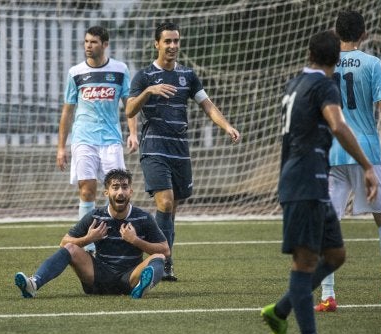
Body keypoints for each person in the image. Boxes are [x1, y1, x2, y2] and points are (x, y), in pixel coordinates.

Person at [261, 30, 378, 334]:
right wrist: (367, 166)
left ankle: (280, 310)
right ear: (336, 59)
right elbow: (338, 125)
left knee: (336, 254)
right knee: (305, 263)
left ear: (309, 53)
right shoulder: (325, 86)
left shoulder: (295, 83)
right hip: (304, 184)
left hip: (310, 182)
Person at [315, 10, 381, 312]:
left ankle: (327, 295)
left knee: (328, 222)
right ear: (365, 34)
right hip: (367, 154)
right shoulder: (372, 64)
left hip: (333, 152)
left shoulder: (324, 66)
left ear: (336, 33)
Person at [126, 22, 240, 281]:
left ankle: (164, 260)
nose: (173, 46)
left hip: (180, 151)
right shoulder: (144, 76)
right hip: (154, 148)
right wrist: (149, 91)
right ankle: (162, 262)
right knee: (165, 202)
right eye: (167, 41)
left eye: (176, 41)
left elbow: (207, 105)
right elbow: (130, 110)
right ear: (157, 44)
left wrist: (227, 126)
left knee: (171, 211)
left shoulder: (188, 75)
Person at [14, 169, 169, 299]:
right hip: (98, 278)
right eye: (115, 187)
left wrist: (135, 241)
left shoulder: (143, 218)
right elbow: (63, 243)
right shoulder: (96, 216)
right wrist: (89, 238)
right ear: (106, 192)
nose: (120, 192)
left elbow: (165, 250)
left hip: (130, 278)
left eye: (124, 187)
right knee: (70, 248)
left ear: (131, 191)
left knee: (159, 257)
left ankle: (142, 287)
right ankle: (33, 284)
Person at [56, 26, 139, 254]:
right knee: (87, 191)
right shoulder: (75, 72)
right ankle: (89, 245)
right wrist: (61, 147)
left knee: (118, 191)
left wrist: (133, 133)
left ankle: (119, 239)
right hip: (83, 139)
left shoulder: (120, 70)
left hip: (111, 140)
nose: (88, 46)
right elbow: (67, 111)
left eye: (93, 42)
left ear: (105, 44)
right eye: (86, 41)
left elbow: (129, 105)